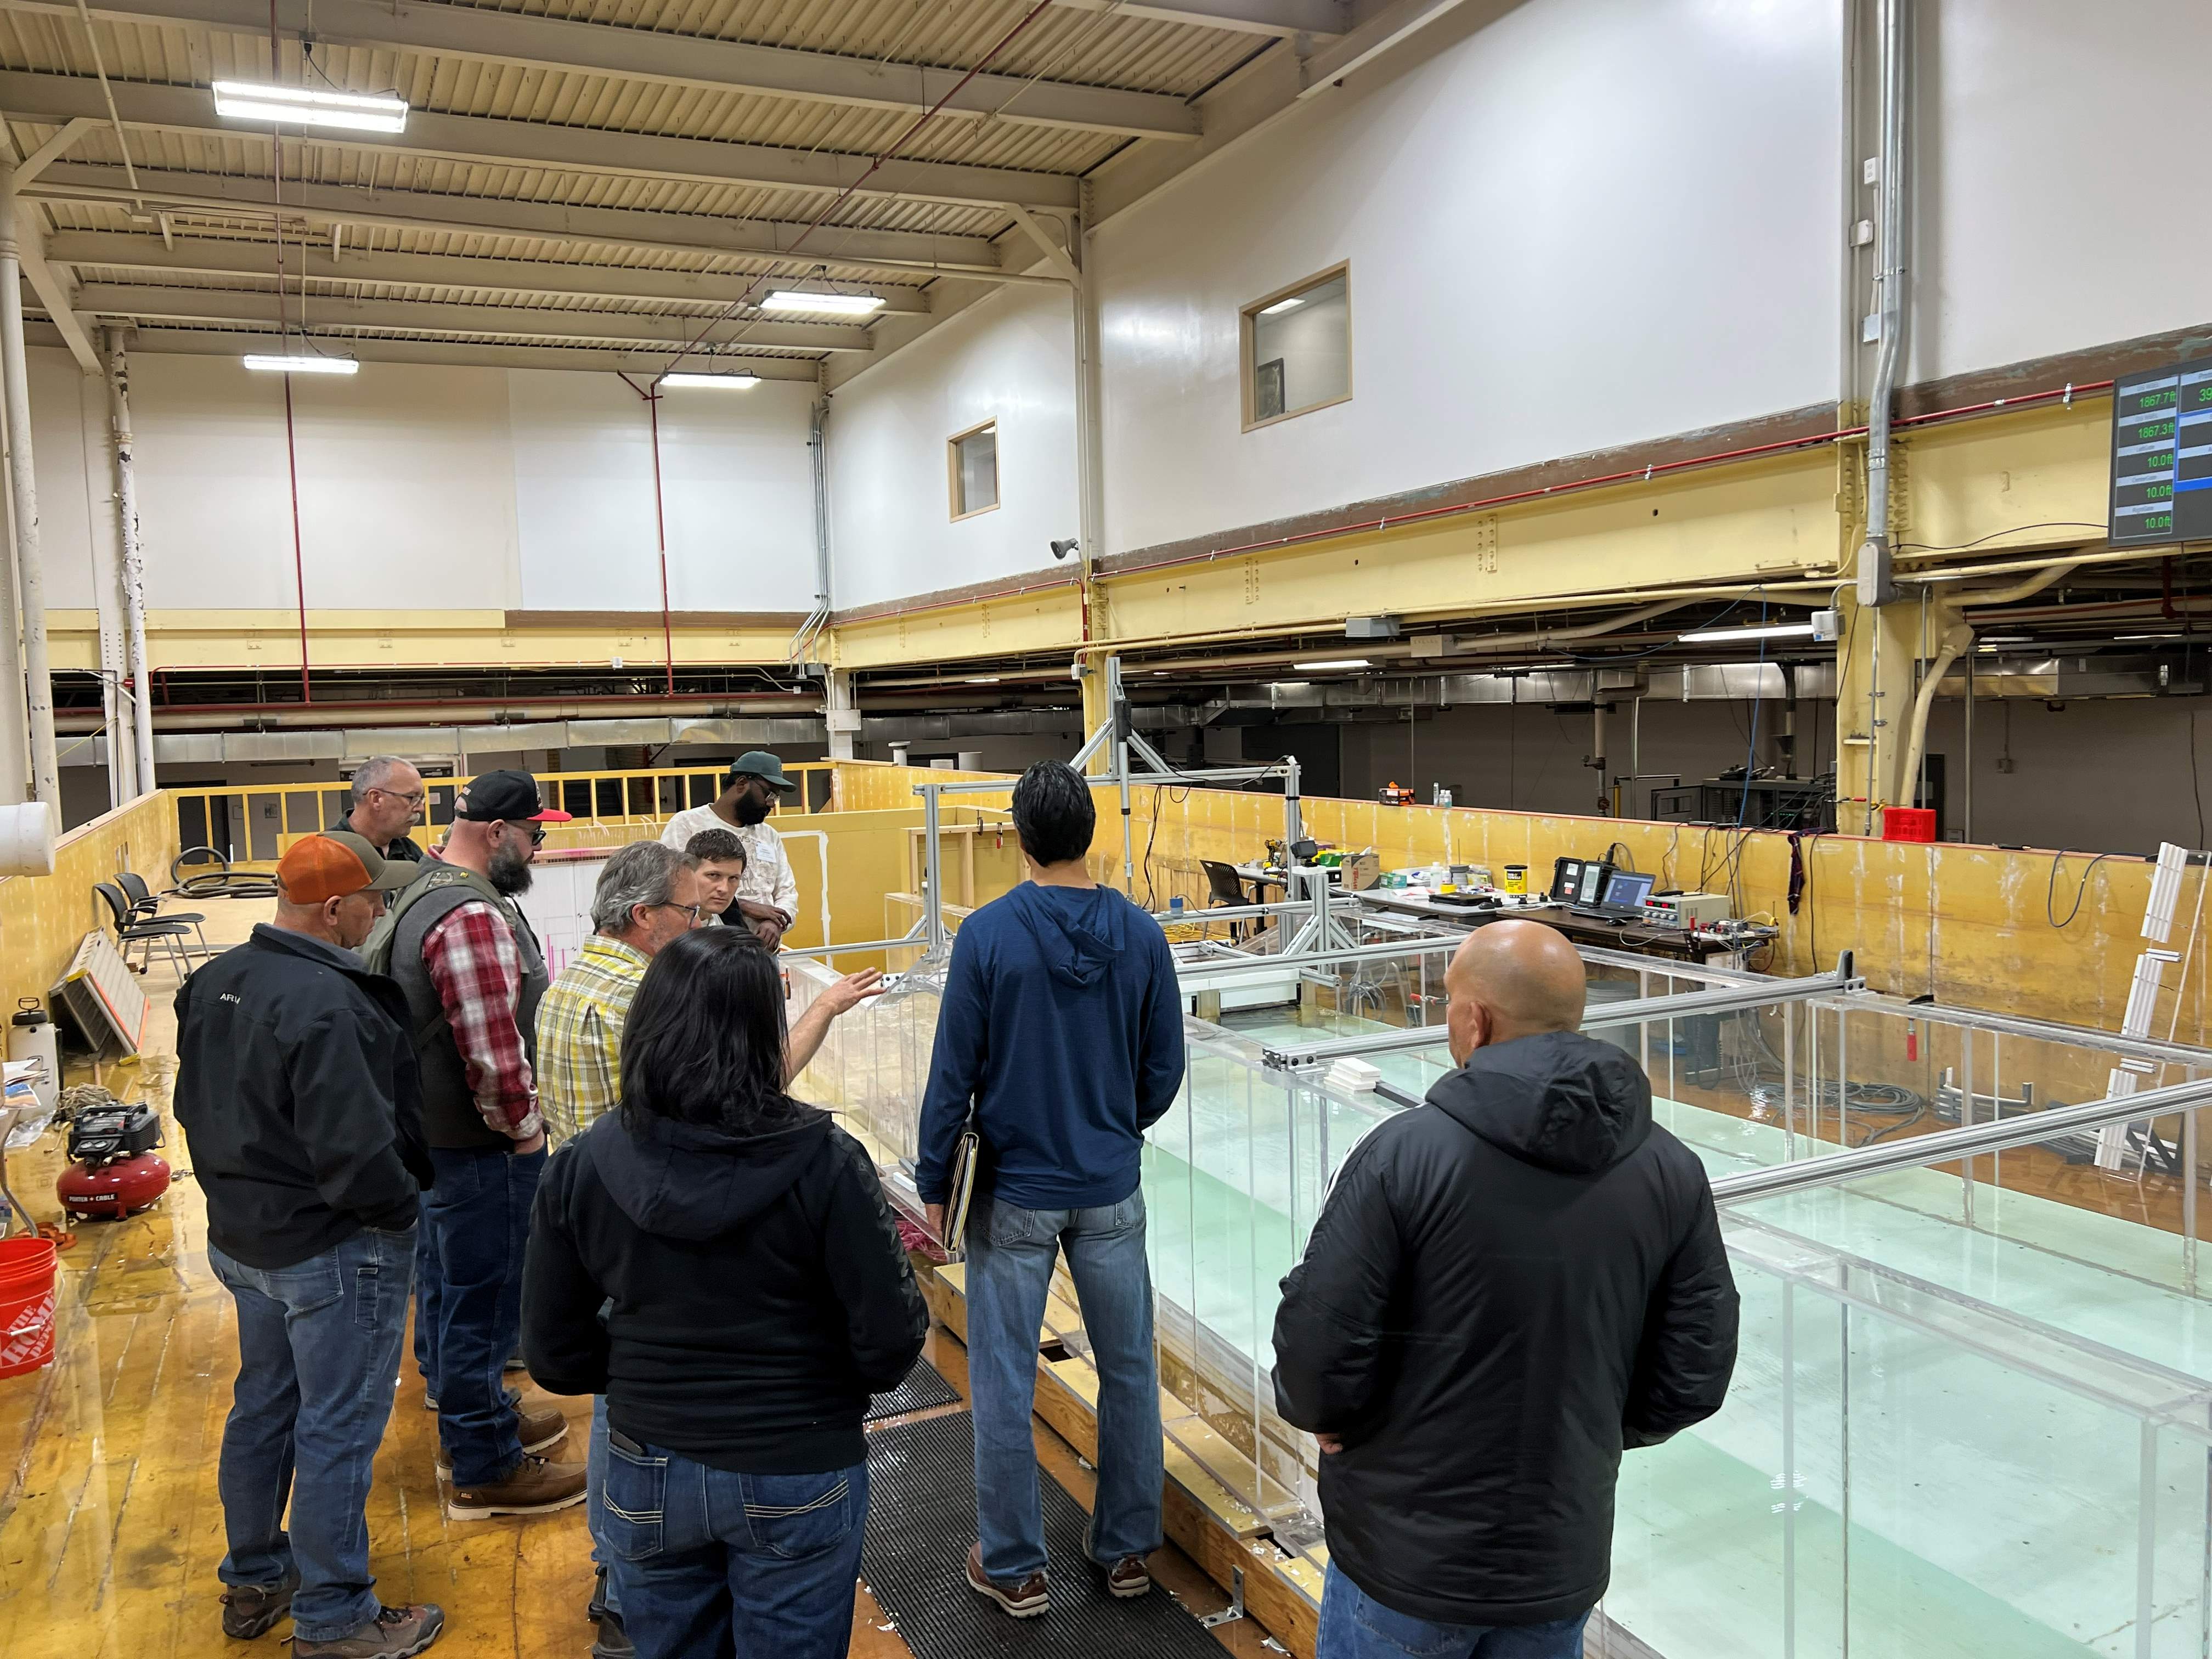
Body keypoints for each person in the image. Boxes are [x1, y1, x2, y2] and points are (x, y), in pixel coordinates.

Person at [1271, 921, 1741, 1659]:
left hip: (1405, 1564)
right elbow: (1693, 1373)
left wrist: (1326, 1413)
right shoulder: (1671, 1170)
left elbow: (1319, 1349)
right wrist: (1578, 1432)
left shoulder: (1403, 1156)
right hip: (1556, 1558)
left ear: (1473, 1020)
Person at [523, 929, 928, 1659]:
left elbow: (553, 1352)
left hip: (647, 1465)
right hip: (797, 1457)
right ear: (764, 1035)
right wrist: (820, 1384)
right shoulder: (828, 1163)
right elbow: (890, 1342)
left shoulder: (583, 1165)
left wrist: (644, 1373)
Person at [913, 760, 1185, 1618]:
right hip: (1110, 1188)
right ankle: (1128, 1552)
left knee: (1002, 1376)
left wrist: (931, 1183)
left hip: (1015, 1194)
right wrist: (1114, 1124)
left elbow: (953, 1070)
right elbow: (1165, 1066)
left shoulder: (990, 936)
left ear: (1019, 837)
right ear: (1091, 833)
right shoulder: (1141, 934)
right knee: (1131, 1371)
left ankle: (1015, 1565)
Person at [172, 832, 445, 1657]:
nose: (380, 911)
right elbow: (358, 1152)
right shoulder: (331, 1004)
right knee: (336, 1427)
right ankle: (335, 1622)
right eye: (373, 900)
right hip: (333, 1252)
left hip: (247, 1241)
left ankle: (256, 1576)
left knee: (264, 1406)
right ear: (334, 910)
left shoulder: (215, 981)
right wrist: (400, 1213)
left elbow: (193, 1106)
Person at [383, 768, 588, 1520]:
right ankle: (485, 1467)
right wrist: (527, 1134)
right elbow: (493, 1050)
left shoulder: (423, 885)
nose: (537, 849)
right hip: (479, 1145)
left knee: (446, 1286)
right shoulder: (469, 914)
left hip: (434, 1138)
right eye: (534, 835)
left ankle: (473, 1414)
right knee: (486, 1299)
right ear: (498, 833)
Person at [658, 753, 800, 947]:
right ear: (742, 784)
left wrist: (775, 922)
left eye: (776, 798)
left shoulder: (770, 836)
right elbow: (671, 889)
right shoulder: (687, 824)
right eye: (768, 794)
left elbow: (787, 893)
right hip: (706, 949)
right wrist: (742, 907)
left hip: (760, 953)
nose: (771, 804)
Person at [333, 755, 428, 862]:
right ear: (376, 799)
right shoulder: (328, 855)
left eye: (420, 798)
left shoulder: (409, 851)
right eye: (411, 797)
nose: (420, 808)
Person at [684, 827, 747, 927]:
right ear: (688, 873)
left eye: (733, 878)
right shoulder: (662, 925)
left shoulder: (732, 915)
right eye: (713, 875)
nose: (724, 889)